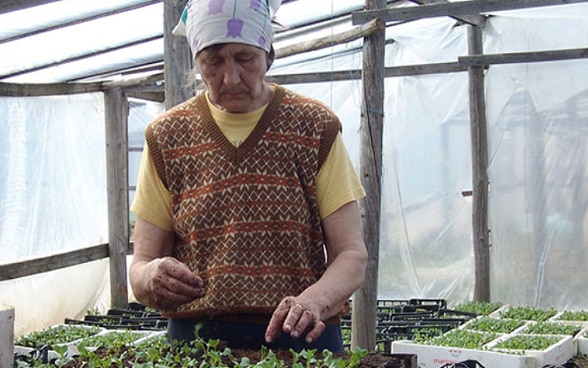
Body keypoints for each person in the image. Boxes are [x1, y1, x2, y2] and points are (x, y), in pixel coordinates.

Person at [129, 0, 368, 353]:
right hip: (198, 345)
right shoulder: (167, 136)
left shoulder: (314, 127)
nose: (231, 77)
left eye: (245, 58)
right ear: (197, 60)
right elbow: (142, 263)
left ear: (267, 54)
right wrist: (151, 277)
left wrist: (315, 300)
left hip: (301, 342)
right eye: (213, 61)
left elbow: (351, 254)